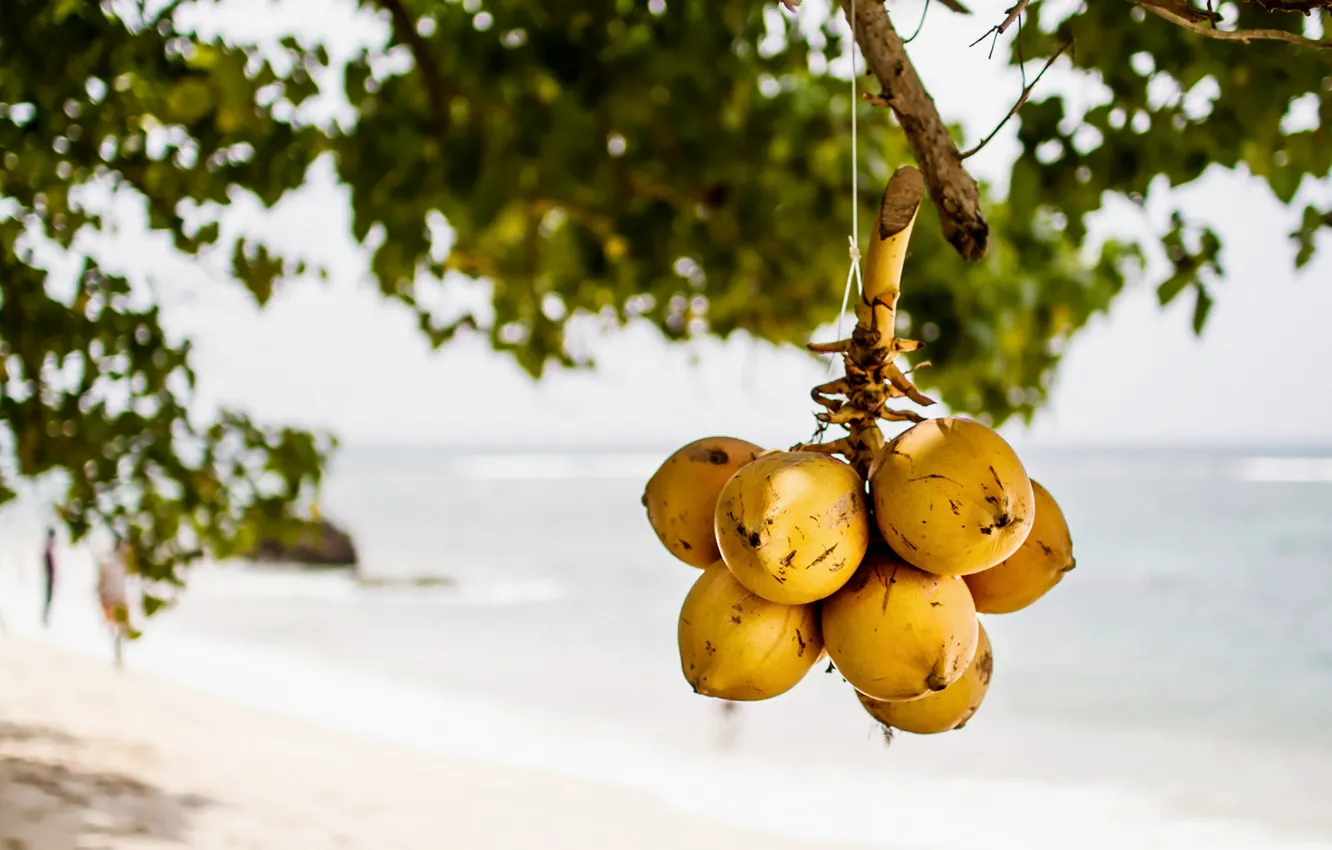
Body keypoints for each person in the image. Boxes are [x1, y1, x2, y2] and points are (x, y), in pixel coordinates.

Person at [97, 540, 132, 669]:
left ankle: (119, 655)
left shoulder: (124, 565)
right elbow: (102, 583)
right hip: (111, 598)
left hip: (120, 599)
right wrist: (101, 597)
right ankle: (117, 655)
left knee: (121, 629)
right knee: (114, 628)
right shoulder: (109, 563)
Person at [41, 527, 57, 627]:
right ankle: (45, 618)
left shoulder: (49, 547)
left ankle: (46, 617)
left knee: (49, 598)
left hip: (49, 578)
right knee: (48, 598)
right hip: (48, 578)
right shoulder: (48, 548)